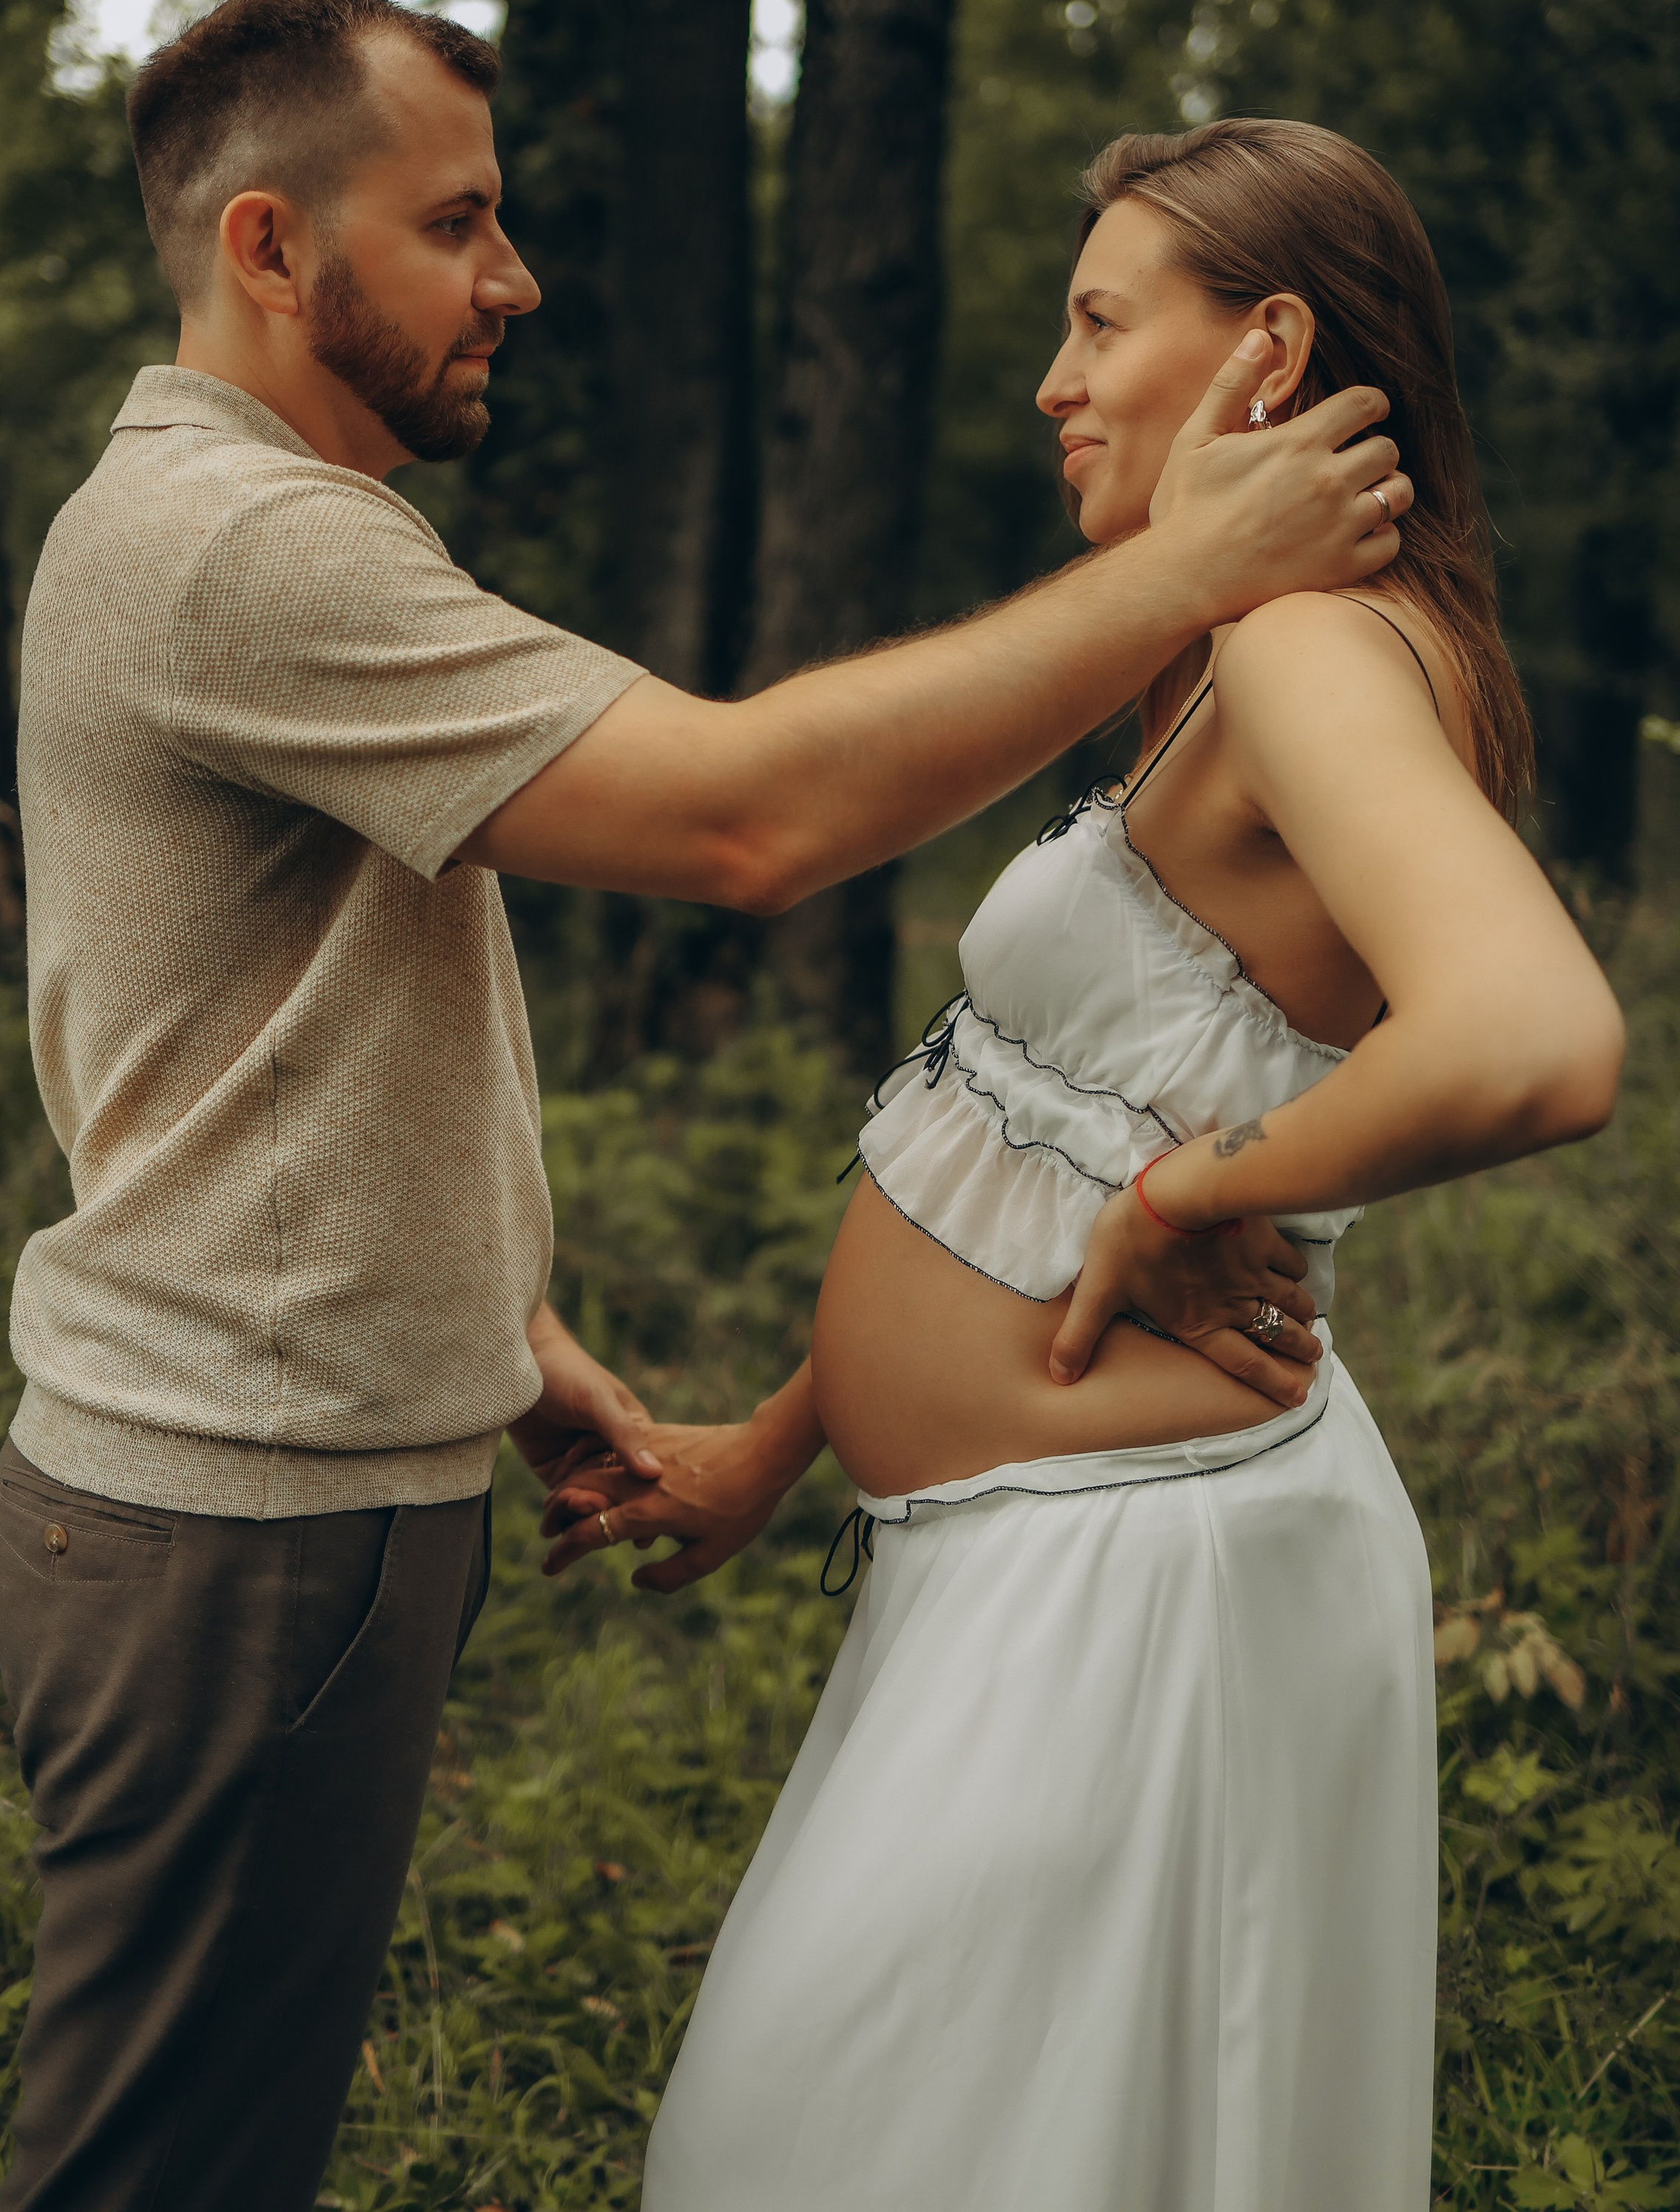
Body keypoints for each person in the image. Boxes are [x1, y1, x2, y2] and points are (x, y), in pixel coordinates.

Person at [0, 0, 1414, 2212]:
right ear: (270, 247)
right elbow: (744, 816)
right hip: (238, 1527)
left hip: (292, 1483)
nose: (516, 275)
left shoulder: (255, 527)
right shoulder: (243, 548)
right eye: (458, 221)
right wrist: (1188, 570)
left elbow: (233, 1031)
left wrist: (498, 1331)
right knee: (161, 2168)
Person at [553, 118, 1627, 2212]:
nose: (1052, 378)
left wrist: (1188, 1202)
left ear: (1270, 347)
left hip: (1148, 1585)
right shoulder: (1223, 659)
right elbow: (1028, 1107)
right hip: (1023, 1554)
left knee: (807, 2147)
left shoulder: (1317, 649)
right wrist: (784, 1441)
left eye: (1100, 319)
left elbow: (1537, 1032)